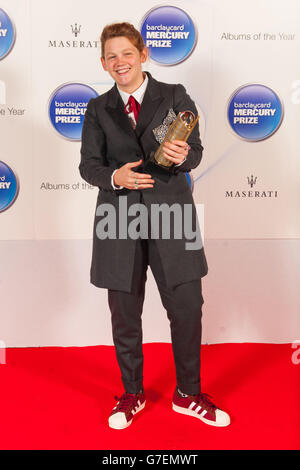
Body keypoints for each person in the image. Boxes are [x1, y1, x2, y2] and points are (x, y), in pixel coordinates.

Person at [79, 22, 230, 429]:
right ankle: (132, 393)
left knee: (187, 308)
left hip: (172, 215)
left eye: (126, 53)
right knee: (124, 314)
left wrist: (181, 155)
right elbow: (88, 166)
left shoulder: (176, 96)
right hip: (119, 218)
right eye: (111, 56)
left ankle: (188, 394)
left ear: (143, 54)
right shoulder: (97, 108)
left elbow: (195, 152)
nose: (119, 62)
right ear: (103, 63)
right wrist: (116, 177)